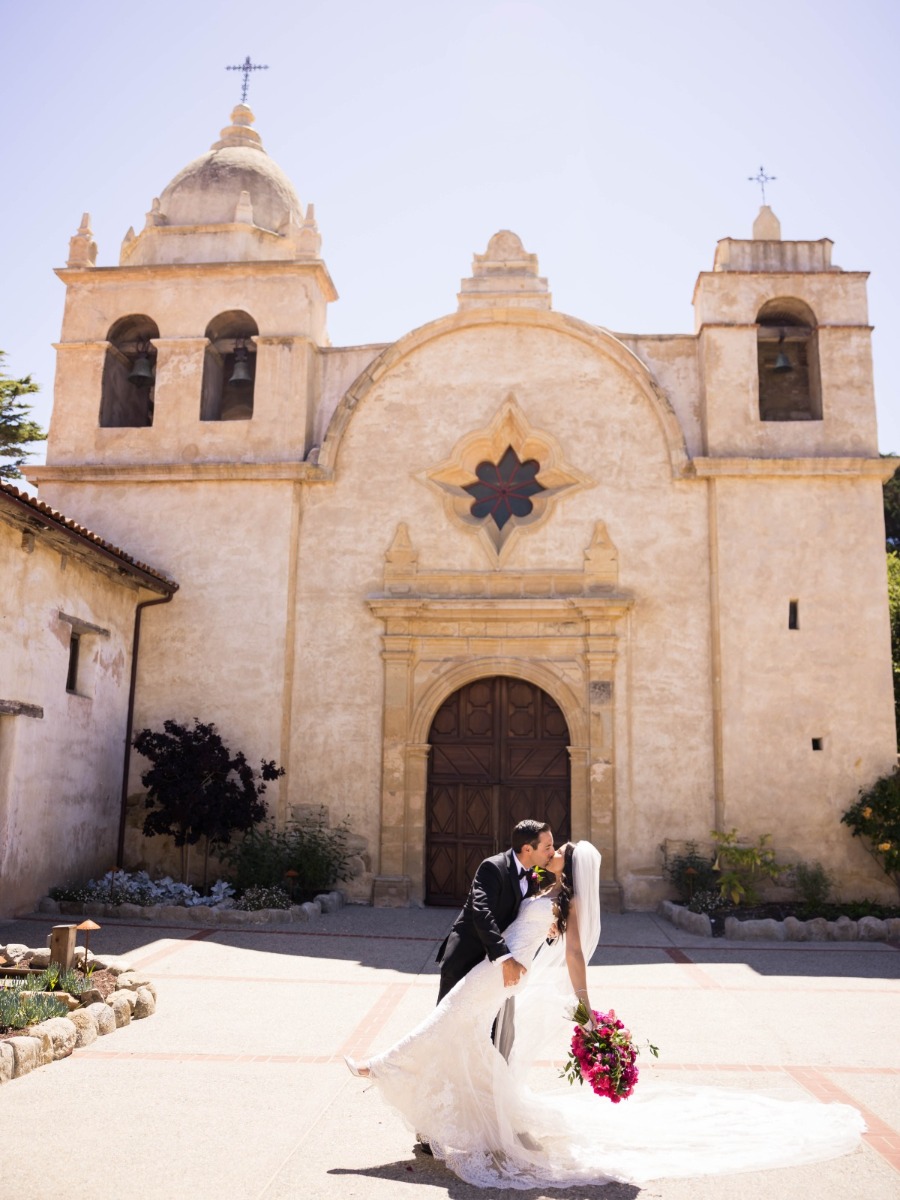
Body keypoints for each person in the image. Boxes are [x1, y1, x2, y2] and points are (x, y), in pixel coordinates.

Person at [345, 841, 865, 1190]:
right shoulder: (543, 889)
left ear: (567, 867)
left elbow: (573, 955)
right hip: (499, 968)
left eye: (558, 851)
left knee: (450, 1019)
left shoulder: (563, 901)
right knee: (463, 1033)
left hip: (504, 973)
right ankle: (462, 1116)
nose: (551, 852)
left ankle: (380, 1066)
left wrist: (586, 1010)